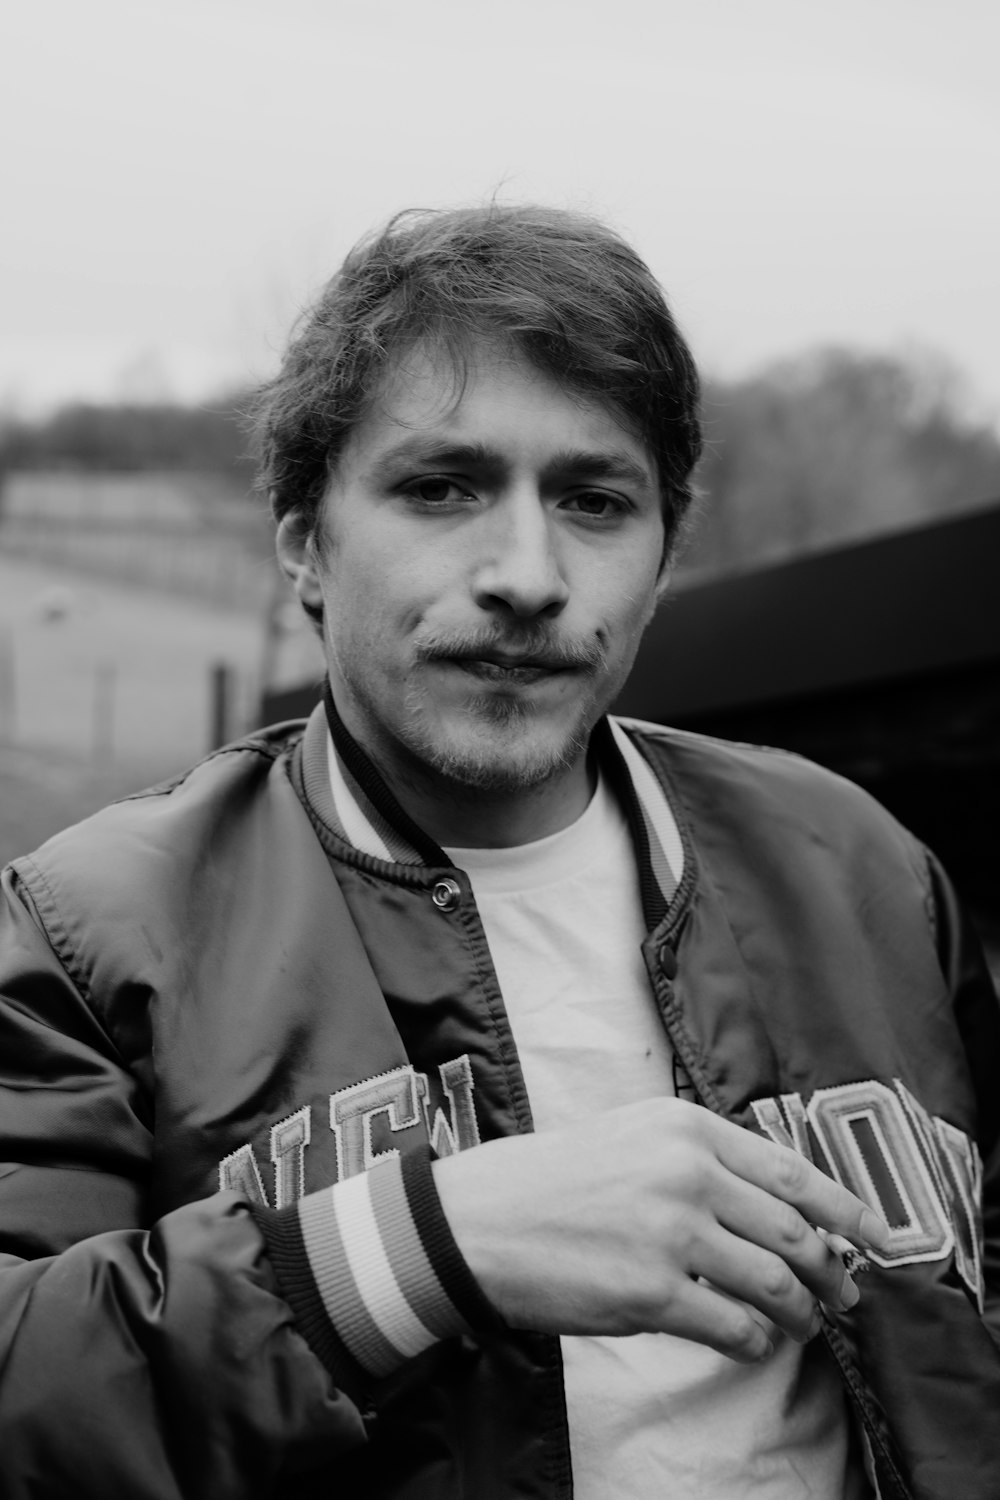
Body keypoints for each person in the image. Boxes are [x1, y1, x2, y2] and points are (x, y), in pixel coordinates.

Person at [0, 204, 997, 1500]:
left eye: (594, 500)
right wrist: (432, 1242)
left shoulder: (860, 867)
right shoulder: (95, 928)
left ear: (664, 551)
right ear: (305, 539)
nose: (527, 573)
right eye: (441, 487)